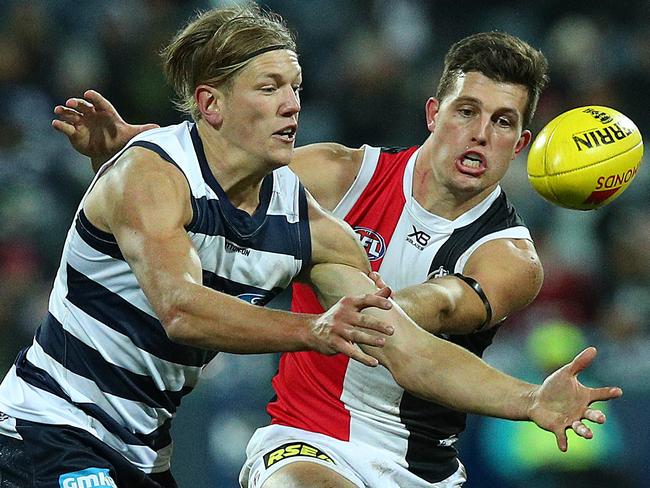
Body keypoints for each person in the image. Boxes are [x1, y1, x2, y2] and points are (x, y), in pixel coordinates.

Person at [48, 23, 622, 488]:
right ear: (433, 114)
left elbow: (438, 315)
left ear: (520, 144)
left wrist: (528, 399)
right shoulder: (338, 177)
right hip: (304, 443)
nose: (478, 135)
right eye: (465, 111)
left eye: (501, 123)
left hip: (420, 470)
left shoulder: (510, 257)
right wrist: (134, 145)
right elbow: (211, 158)